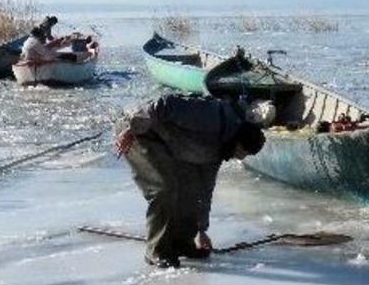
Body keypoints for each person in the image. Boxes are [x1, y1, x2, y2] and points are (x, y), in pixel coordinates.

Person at [114, 94, 266, 268]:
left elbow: (204, 189)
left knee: (190, 190)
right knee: (164, 189)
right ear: (236, 140)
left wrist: (202, 230)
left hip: (169, 141)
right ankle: (156, 251)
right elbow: (164, 104)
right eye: (238, 152)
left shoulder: (220, 150)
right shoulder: (210, 117)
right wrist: (131, 128)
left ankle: (182, 243)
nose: (235, 158)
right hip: (139, 130)